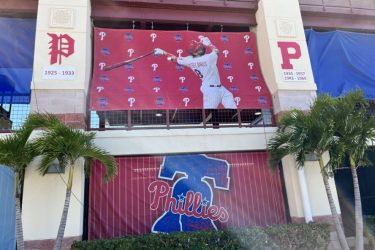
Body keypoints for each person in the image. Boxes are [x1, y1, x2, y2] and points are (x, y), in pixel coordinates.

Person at [154, 36, 237, 109]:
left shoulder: (189, 60)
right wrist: (209, 44)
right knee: (209, 113)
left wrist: (163, 52)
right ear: (194, 52)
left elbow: (174, 59)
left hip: (217, 87)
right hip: (211, 89)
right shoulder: (208, 58)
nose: (201, 48)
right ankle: (207, 126)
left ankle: (236, 122)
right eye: (199, 49)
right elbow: (216, 51)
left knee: (228, 97)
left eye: (200, 47)